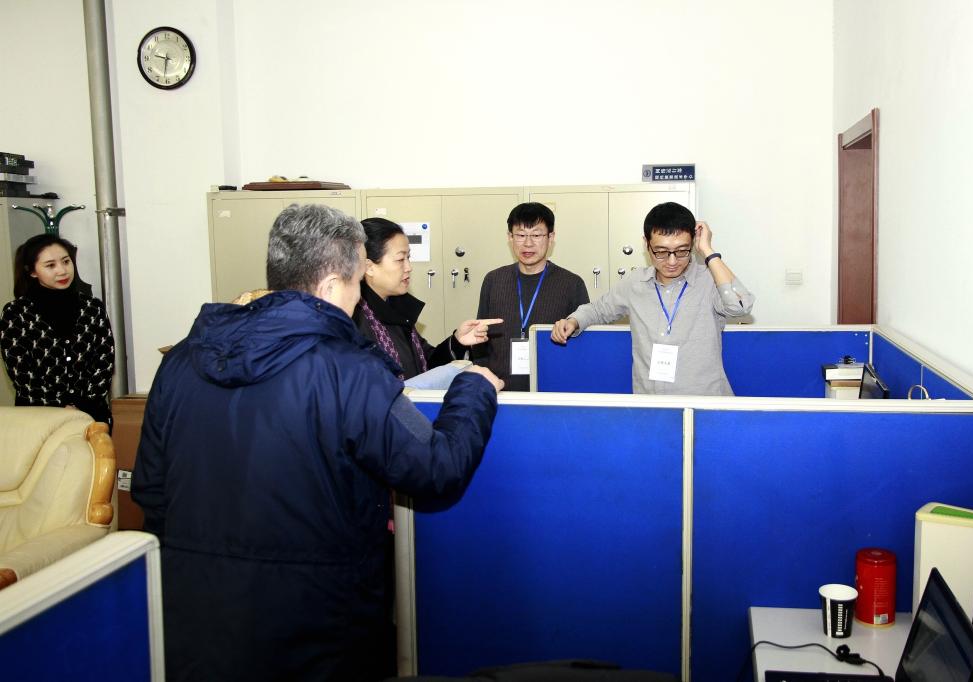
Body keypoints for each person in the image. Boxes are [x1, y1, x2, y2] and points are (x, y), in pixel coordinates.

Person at [131, 203, 504, 682]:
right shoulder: (349, 371)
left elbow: (151, 491)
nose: (358, 300)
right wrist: (472, 387)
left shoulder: (181, 361)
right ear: (330, 287)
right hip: (317, 623)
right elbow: (436, 467)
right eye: (356, 284)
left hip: (197, 621)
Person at [551, 202, 755, 395]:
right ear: (646, 244)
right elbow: (599, 309)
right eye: (661, 252)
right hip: (652, 403)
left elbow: (741, 306)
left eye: (682, 251)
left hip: (704, 404)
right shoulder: (635, 283)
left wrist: (708, 251)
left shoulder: (710, 280)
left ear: (693, 244)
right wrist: (573, 321)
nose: (672, 261)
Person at [355, 217, 500, 381]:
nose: (409, 267)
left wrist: (457, 341)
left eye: (409, 258)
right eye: (400, 259)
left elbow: (427, 364)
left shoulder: (397, 309)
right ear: (369, 267)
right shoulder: (355, 320)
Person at [475, 202, 590, 391]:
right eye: (520, 235)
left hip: (552, 392)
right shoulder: (493, 280)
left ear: (551, 237)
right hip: (499, 391)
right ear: (510, 237)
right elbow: (480, 340)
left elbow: (583, 345)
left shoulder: (572, 284)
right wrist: (484, 383)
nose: (528, 243)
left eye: (536, 235)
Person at [0, 233, 114, 424]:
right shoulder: (16, 312)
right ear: (32, 271)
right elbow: (22, 373)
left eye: (66, 262)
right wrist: (61, 406)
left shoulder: (92, 307)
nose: (62, 271)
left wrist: (81, 405)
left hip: (91, 414)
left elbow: (104, 360)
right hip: (39, 417)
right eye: (50, 265)